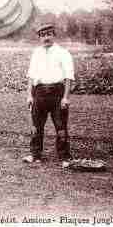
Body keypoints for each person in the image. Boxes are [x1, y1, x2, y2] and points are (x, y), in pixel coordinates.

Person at [23, 24, 74, 168]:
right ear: (39, 37)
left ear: (54, 35)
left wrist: (66, 97)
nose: (46, 37)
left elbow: (69, 77)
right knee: (36, 126)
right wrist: (29, 95)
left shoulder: (63, 53)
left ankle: (64, 157)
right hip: (38, 92)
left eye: (48, 34)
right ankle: (35, 154)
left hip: (57, 92)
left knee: (61, 126)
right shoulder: (36, 53)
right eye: (43, 35)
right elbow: (31, 76)